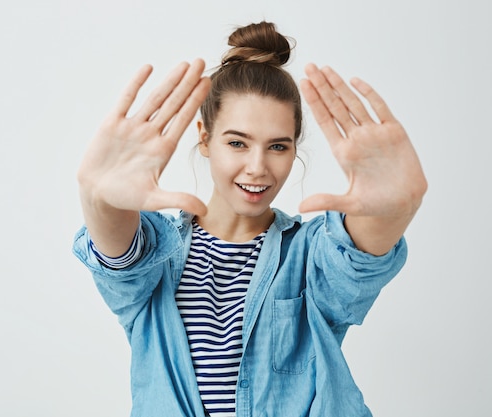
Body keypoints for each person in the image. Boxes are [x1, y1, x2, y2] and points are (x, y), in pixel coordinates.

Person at [73, 21, 427, 417]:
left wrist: (391, 211)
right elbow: (118, 258)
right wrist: (99, 198)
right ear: (204, 138)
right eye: (237, 142)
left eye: (278, 146)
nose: (257, 167)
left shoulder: (309, 253)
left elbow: (357, 262)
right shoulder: (159, 254)